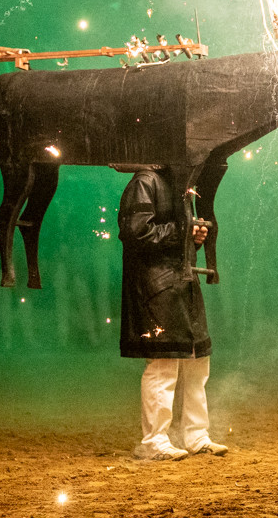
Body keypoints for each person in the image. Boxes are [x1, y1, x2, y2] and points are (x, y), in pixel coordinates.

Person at [118, 166, 226, 461]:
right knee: (164, 362)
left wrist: (193, 236)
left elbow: (173, 233)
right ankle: (154, 441)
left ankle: (196, 436)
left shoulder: (177, 183)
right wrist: (184, 231)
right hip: (157, 285)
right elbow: (134, 232)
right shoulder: (145, 181)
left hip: (179, 283)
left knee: (196, 360)